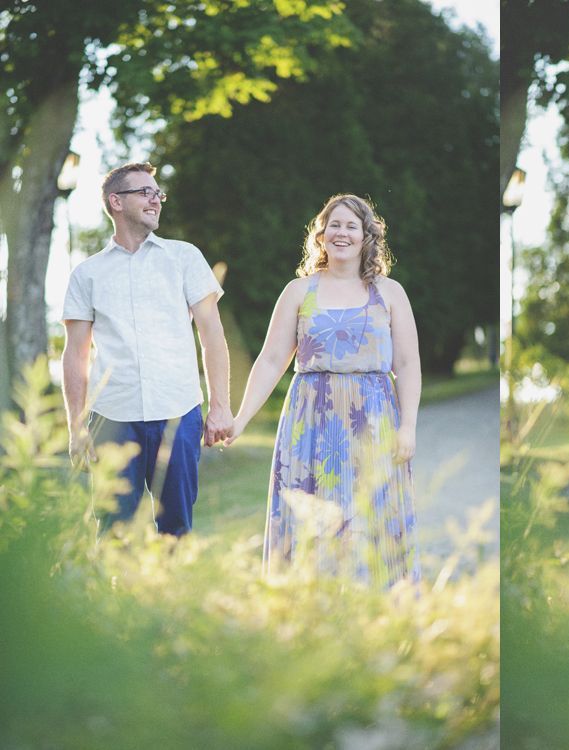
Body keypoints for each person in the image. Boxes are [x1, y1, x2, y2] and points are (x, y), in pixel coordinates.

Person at [224, 193, 420, 586]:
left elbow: (407, 364)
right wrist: (240, 417)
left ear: (367, 236)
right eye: (334, 225)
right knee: (311, 520)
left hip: (374, 423)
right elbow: (271, 360)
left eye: (351, 226)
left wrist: (408, 427)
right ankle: (309, 615)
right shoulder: (299, 292)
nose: (342, 233)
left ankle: (378, 615)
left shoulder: (390, 292)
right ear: (321, 235)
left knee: (371, 518)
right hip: (310, 423)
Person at [61, 161, 233, 536]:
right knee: (112, 531)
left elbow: (212, 336)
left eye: (158, 194)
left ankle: (170, 596)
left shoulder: (184, 258)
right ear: (116, 202)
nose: (156, 200)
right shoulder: (86, 275)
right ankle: (113, 597)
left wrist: (219, 405)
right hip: (112, 416)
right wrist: (76, 427)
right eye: (145, 192)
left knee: (176, 527)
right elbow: (75, 354)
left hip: (178, 413)